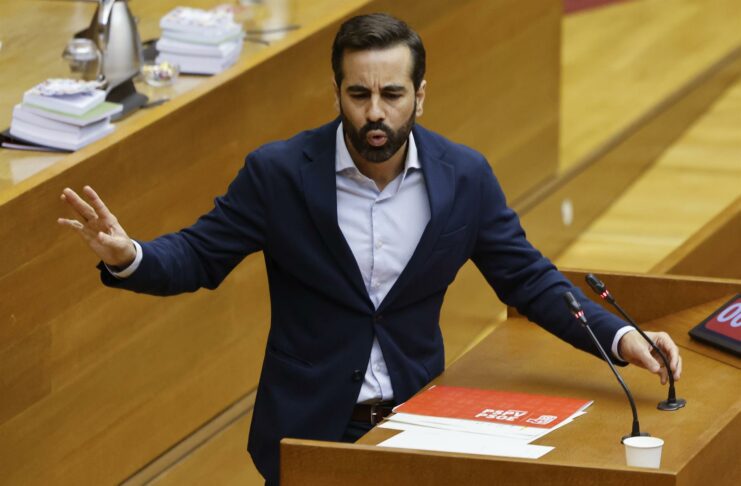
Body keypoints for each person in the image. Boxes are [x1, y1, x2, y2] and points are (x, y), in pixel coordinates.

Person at [58, 13, 682, 485]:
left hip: (420, 427)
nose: (375, 113)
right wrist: (129, 255)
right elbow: (199, 255)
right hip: (308, 435)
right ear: (336, 94)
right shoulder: (279, 174)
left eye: (392, 95)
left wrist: (623, 338)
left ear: (420, 95)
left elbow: (528, 279)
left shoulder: (463, 177)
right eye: (359, 95)